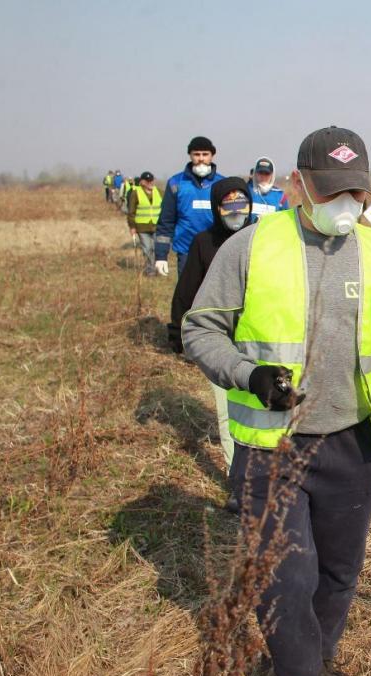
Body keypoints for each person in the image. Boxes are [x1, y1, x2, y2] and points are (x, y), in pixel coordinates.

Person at [181, 126, 371, 676]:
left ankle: (317, 654)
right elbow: (199, 328)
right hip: (271, 446)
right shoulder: (251, 247)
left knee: (338, 572)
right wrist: (249, 375)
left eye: (354, 193)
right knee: (289, 574)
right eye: (330, 191)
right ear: (298, 183)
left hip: (353, 444)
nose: (344, 205)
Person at [168, 177, 252, 468]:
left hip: (259, 339)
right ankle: (235, 476)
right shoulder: (204, 242)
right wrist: (177, 330)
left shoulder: (262, 237)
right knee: (228, 412)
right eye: (228, 205)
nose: (235, 211)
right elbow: (187, 288)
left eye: (241, 204)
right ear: (217, 208)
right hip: (221, 341)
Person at [154, 136, 225, 276]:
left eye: (205, 154)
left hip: (216, 250)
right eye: (196, 154)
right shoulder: (175, 183)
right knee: (188, 296)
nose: (201, 158)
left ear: (212, 156)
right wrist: (161, 255)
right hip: (186, 251)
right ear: (190, 155)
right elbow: (166, 221)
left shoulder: (223, 184)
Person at [127, 171, 161, 276]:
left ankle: (157, 267)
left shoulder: (159, 191)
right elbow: (131, 211)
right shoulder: (136, 193)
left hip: (157, 226)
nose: (150, 182)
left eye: (151, 180)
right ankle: (150, 269)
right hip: (141, 226)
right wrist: (132, 226)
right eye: (147, 181)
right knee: (147, 248)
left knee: (157, 248)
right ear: (142, 182)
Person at [248, 157, 290, 223]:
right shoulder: (247, 191)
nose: (263, 176)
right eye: (260, 173)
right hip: (250, 232)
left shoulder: (280, 196)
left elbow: (285, 221)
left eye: (267, 173)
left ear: (272, 175)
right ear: (255, 173)